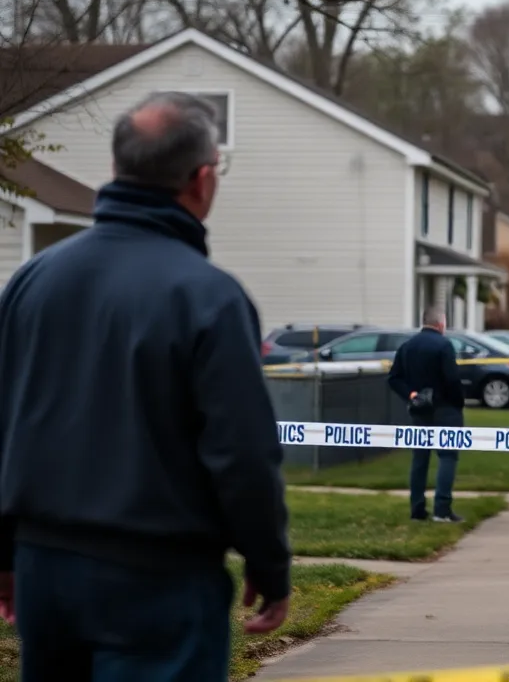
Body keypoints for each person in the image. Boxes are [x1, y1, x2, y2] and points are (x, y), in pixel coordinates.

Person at [0, 92, 291, 681]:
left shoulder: (31, 281)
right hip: (159, 580)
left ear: (115, 169)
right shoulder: (208, 297)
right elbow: (241, 451)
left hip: (45, 571)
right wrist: (267, 558)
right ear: (202, 179)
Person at [388, 306, 466, 523]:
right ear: (441, 324)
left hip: (419, 411)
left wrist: (411, 395)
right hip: (446, 409)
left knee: (420, 459)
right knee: (447, 456)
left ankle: (417, 509)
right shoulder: (444, 345)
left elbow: (393, 378)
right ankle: (441, 510)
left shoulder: (407, 346)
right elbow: (451, 379)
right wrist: (458, 403)